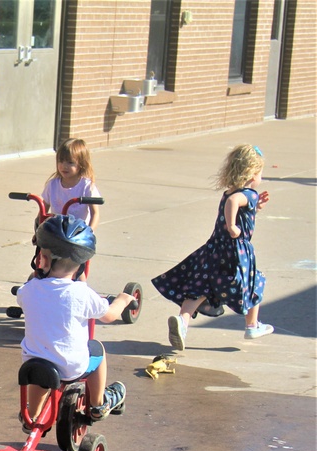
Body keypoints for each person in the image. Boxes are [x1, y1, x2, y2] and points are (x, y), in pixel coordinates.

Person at [151, 145, 272, 351]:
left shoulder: (230, 192)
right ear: (252, 173)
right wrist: (233, 225)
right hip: (236, 252)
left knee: (199, 288)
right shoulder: (248, 194)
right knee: (253, 283)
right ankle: (252, 325)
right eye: (260, 173)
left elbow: (234, 202)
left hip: (215, 249)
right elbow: (234, 203)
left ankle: (182, 321)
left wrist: (255, 209)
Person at [16, 215, 135, 423]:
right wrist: (123, 300)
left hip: (32, 365)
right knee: (97, 349)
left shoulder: (28, 290)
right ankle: (98, 404)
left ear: (41, 258)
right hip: (70, 367)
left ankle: (32, 416)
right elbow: (109, 316)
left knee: (40, 360)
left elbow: (34, 289)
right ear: (80, 264)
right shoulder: (82, 293)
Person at [41, 138, 102, 229]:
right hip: (57, 230)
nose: (64, 166)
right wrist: (39, 230)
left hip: (78, 232)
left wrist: (89, 232)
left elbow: (95, 213)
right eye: (61, 161)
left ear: (81, 164)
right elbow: (43, 211)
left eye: (70, 163)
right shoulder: (52, 185)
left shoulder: (86, 186)